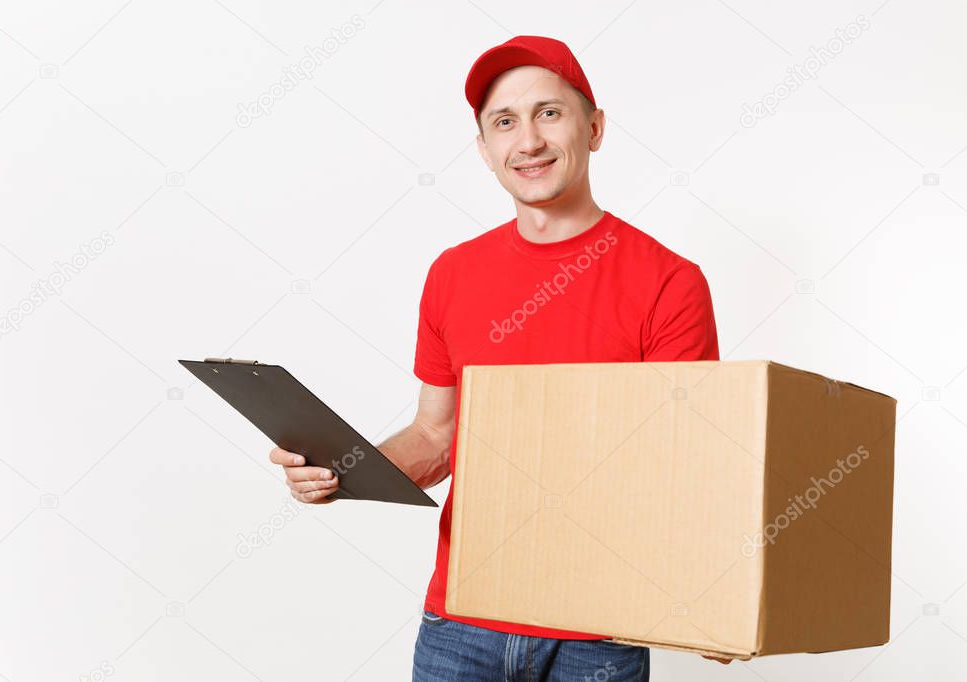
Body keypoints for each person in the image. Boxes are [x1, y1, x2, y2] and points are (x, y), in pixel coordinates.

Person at [270, 35, 728, 680]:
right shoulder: (454, 274)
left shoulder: (669, 282)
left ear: (594, 128)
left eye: (549, 112)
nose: (529, 140)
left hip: (600, 631)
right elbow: (438, 433)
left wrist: (715, 595)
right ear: (484, 150)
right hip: (461, 623)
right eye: (504, 122)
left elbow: (684, 465)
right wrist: (343, 469)